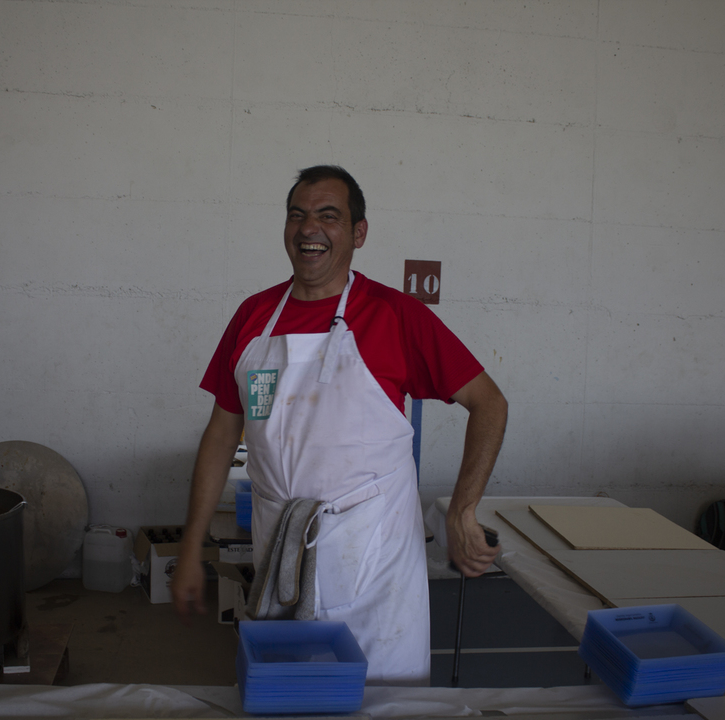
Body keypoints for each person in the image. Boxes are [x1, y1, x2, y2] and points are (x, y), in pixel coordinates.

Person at [171, 165, 508, 685]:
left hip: (374, 562)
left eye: (329, 216)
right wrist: (192, 546)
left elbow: (489, 403)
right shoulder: (253, 317)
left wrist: (463, 509)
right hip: (279, 552)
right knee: (289, 697)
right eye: (297, 215)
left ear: (358, 233)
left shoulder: (395, 315)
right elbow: (221, 435)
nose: (310, 228)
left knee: (381, 697)